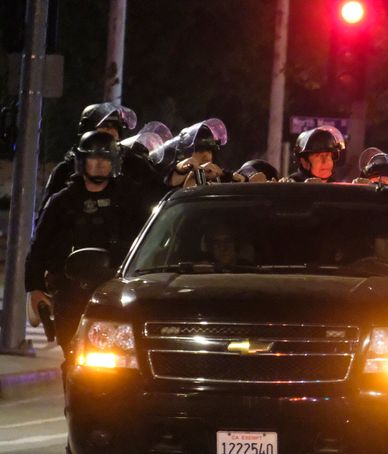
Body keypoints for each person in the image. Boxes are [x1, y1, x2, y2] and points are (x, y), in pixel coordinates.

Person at [25, 132, 150, 358]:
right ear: (83, 162)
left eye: (105, 158)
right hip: (69, 294)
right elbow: (39, 247)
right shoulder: (62, 202)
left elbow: (147, 244)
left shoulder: (129, 200)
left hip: (114, 294)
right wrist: (34, 288)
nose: (100, 164)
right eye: (94, 158)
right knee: (73, 360)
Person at [40, 103, 140, 217]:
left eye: (113, 126)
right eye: (104, 126)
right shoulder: (66, 170)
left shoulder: (132, 164)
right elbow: (47, 219)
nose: (109, 130)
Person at [167, 119, 237, 187]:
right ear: (185, 154)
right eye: (199, 151)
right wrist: (194, 176)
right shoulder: (168, 184)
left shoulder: (219, 177)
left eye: (209, 151)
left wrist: (228, 176)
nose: (206, 156)